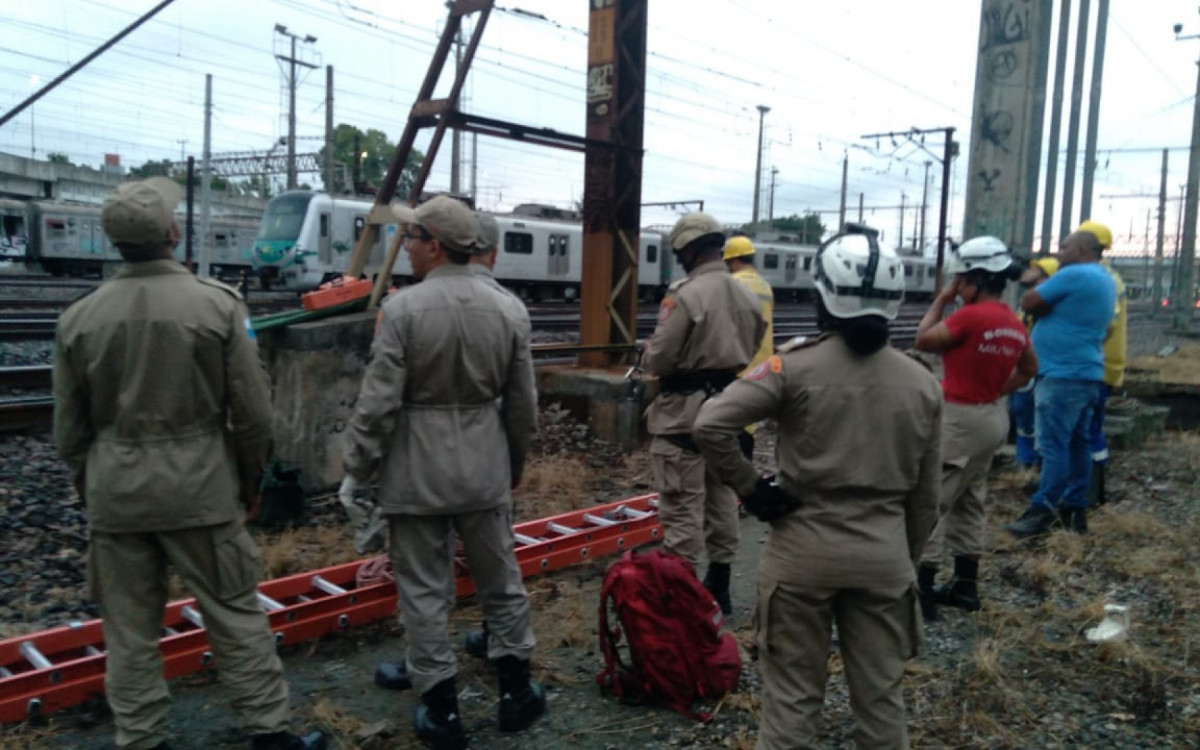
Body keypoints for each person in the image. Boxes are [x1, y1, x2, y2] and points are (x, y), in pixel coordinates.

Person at [53, 177, 325, 750]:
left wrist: (92, 484)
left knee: (128, 633)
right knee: (233, 614)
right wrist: (249, 482)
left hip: (116, 494)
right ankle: (269, 733)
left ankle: (143, 738)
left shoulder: (78, 319)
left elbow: (69, 430)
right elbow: (253, 414)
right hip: (200, 488)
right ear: (173, 235)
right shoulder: (217, 305)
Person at [693, 223, 942, 750]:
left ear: (821, 296)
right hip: (884, 554)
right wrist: (904, 557)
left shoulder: (792, 367)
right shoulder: (923, 383)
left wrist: (752, 490)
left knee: (791, 704)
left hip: (802, 552)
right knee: (881, 702)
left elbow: (710, 425)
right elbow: (926, 499)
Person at [339, 195, 543, 750]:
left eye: (411, 238)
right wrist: (513, 466)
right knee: (501, 581)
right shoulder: (508, 310)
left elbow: (377, 405)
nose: (405, 247)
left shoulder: (402, 311)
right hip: (483, 467)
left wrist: (358, 467)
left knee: (424, 592)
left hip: (415, 473)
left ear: (434, 244)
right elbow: (523, 407)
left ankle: (441, 710)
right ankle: (515, 692)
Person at [643, 212, 766, 615]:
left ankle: (680, 602)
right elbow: (751, 346)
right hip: (726, 410)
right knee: (720, 501)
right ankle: (721, 587)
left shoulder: (685, 294)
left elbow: (659, 358)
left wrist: (651, 354)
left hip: (682, 414)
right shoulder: (747, 295)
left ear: (690, 249)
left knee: (681, 508)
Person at [913, 237, 1037, 620]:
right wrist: (992, 390)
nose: (957, 286)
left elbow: (923, 339)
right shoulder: (1013, 323)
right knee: (971, 499)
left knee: (932, 497)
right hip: (992, 417)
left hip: (959, 419)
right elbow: (1030, 369)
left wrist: (940, 299)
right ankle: (966, 586)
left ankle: (924, 593)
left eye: (960, 280)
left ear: (977, 280)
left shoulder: (969, 316)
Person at [1006, 227, 1117, 537]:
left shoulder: (1074, 275)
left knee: (1053, 446)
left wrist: (1039, 295)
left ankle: (1042, 511)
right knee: (1079, 443)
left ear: (1082, 250)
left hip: (1061, 374)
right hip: (1085, 373)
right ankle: (1074, 508)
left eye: (1065, 246)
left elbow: (1029, 302)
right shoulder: (1103, 278)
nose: (1059, 252)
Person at [1078, 220, 1127, 507]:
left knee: (1088, 430)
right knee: (1089, 429)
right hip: (1102, 363)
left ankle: (1091, 493)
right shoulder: (1107, 276)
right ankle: (1091, 490)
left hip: (1097, 365)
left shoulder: (1103, 279)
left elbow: (1107, 322)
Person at [723, 235, 775, 460]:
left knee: (731, 426)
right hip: (762, 365)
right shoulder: (766, 286)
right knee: (749, 424)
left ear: (732, 261)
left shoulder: (733, 284)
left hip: (738, 364)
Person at [1010, 256, 1059, 476]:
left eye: (1035, 270)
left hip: (1042, 366)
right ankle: (1024, 458)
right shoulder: (1027, 301)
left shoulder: (1046, 305)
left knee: (1035, 413)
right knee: (1022, 411)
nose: (1028, 274)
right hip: (1024, 365)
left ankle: (1035, 460)